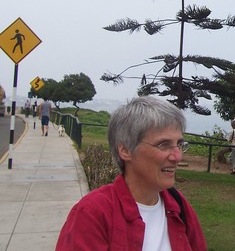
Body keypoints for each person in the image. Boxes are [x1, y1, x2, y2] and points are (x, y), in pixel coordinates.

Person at [56, 96, 207, 251]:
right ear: (126, 150)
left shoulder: (178, 206)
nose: (178, 156)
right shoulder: (92, 214)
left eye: (179, 144)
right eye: (164, 145)